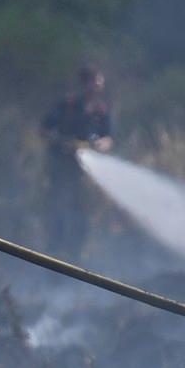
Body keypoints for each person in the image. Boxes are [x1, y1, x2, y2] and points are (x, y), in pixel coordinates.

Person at [40, 65, 113, 259]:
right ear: (85, 83)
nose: (99, 86)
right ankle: (53, 252)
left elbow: (108, 138)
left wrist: (98, 145)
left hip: (85, 173)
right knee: (58, 209)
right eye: (95, 82)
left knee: (82, 213)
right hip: (61, 168)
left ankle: (76, 255)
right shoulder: (67, 105)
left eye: (100, 83)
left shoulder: (101, 110)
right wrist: (63, 142)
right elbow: (44, 129)